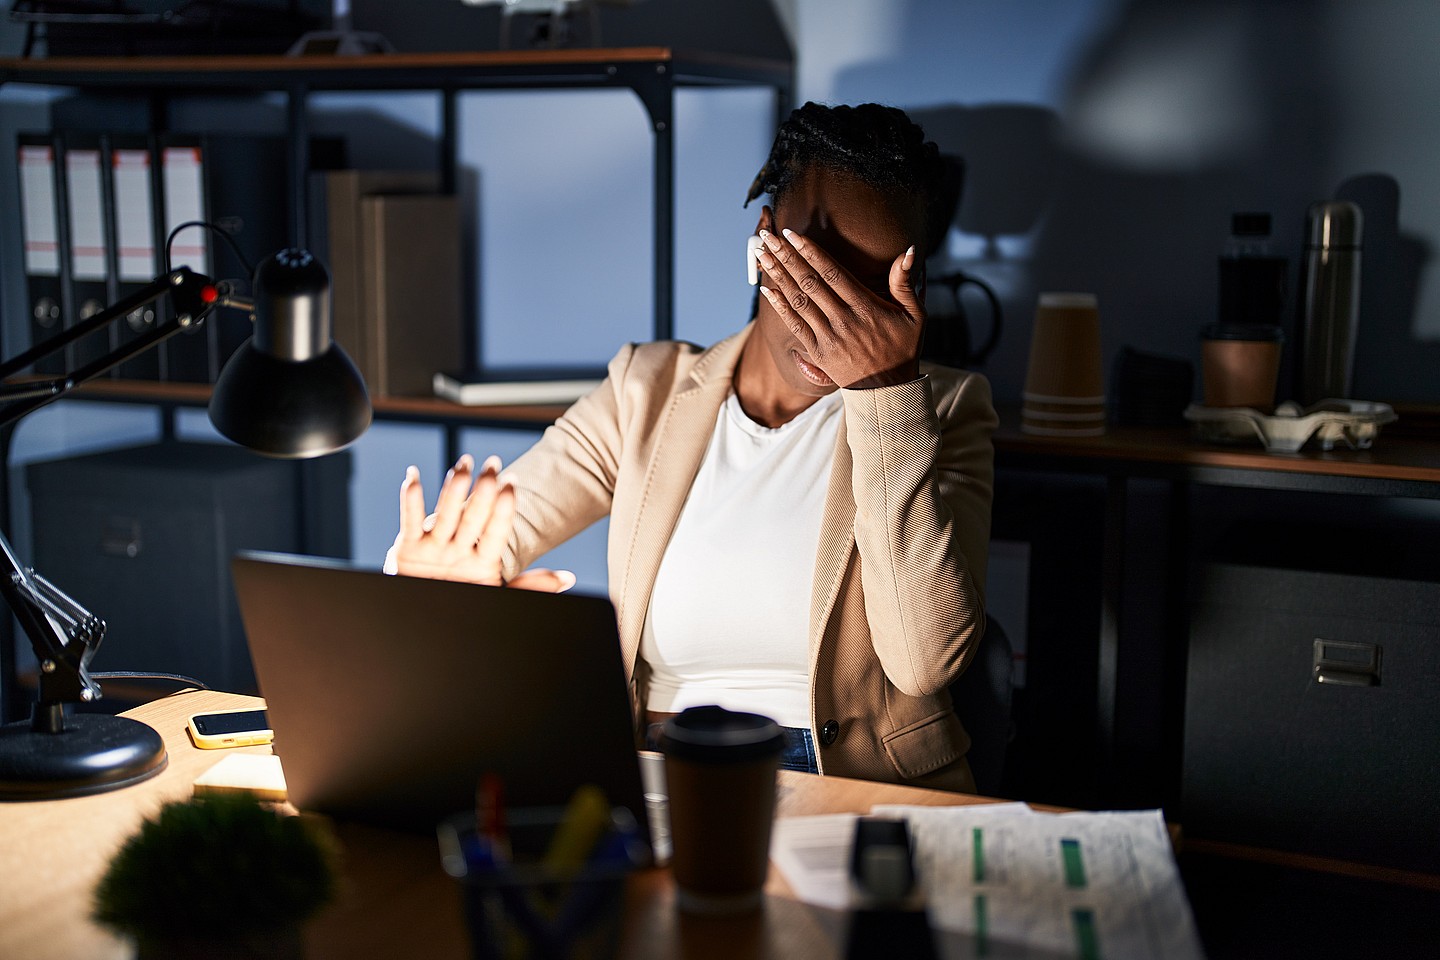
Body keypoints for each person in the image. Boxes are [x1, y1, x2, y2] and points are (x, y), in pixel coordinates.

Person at [389, 102, 997, 793]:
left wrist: (886, 393)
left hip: (849, 787)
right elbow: (489, 538)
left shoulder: (941, 411)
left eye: (872, 291)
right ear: (765, 242)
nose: (838, 321)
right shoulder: (645, 388)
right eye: (817, 278)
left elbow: (923, 664)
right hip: (657, 766)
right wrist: (432, 584)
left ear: (911, 287)